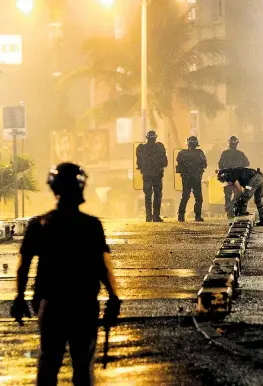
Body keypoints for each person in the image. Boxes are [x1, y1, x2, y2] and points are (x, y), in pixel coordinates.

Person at [10, 162, 121, 386]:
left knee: (49, 363)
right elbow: (103, 266)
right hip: (84, 305)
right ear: (81, 188)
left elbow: (24, 266)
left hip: (52, 305)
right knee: (82, 366)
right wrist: (113, 296)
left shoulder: (39, 225)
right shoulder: (91, 225)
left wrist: (20, 297)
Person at [136, 130, 168, 222]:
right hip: (157, 175)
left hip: (147, 175)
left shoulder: (141, 148)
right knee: (157, 195)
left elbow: (138, 163)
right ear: (155, 138)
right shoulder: (160, 147)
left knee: (148, 196)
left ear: (147, 138)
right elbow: (165, 163)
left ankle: (148, 216)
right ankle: (156, 216)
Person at [176, 136, 207, 222]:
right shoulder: (199, 153)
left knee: (185, 196)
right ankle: (197, 216)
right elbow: (205, 164)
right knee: (199, 198)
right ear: (196, 144)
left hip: (186, 178)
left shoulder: (182, 153)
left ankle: (181, 216)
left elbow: (179, 165)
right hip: (196, 178)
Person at [218, 136, 250, 218]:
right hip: (237, 176)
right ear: (237, 144)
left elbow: (220, 164)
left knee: (227, 194)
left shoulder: (224, 153)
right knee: (238, 194)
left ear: (228, 143)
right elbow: (247, 163)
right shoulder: (240, 153)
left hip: (227, 176)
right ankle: (236, 210)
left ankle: (228, 209)